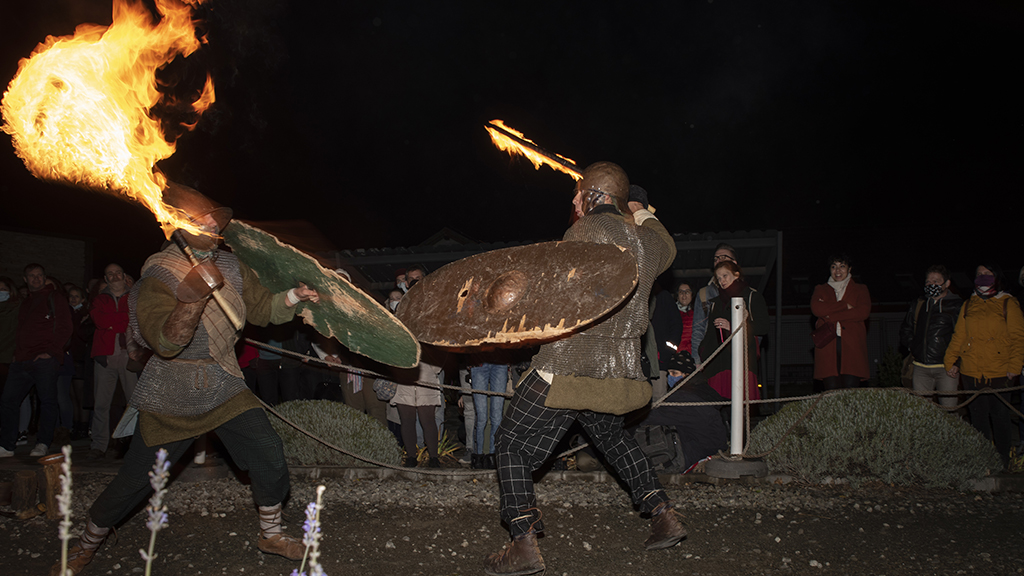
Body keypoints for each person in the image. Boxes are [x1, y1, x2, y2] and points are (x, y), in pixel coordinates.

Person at [51, 184, 321, 576]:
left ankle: (271, 533)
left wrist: (294, 296)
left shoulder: (231, 265)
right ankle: (88, 540)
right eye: (201, 219)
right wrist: (192, 297)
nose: (212, 223)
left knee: (267, 451)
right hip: (172, 391)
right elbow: (163, 340)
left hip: (225, 381)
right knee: (136, 481)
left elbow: (262, 307)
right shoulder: (158, 274)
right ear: (175, 225)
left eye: (214, 217)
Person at [484, 162, 683, 576]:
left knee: (511, 442)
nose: (574, 201)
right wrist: (640, 210)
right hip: (619, 374)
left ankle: (523, 543)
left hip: (569, 367)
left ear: (595, 197)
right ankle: (663, 514)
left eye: (579, 194)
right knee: (612, 439)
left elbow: (555, 300)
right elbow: (668, 245)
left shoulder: (583, 232)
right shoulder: (648, 242)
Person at [943, 264, 1024, 469]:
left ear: (996, 277)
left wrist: (1015, 365)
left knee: (1000, 417)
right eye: (979, 274)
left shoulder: (1008, 303)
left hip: (999, 370)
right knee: (977, 417)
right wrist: (950, 360)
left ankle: (1002, 460)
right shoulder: (969, 304)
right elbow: (959, 335)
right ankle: (982, 460)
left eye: (987, 274)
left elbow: (1018, 337)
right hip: (971, 371)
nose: (983, 277)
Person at [0, 264, 72, 458]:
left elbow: (65, 326)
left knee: (47, 401)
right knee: (8, 400)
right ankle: (7, 445)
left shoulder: (54, 297)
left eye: (39, 275)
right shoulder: (26, 302)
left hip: (44, 360)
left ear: (45, 277)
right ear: (25, 279)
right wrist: (17, 353)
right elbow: (20, 329)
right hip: (22, 360)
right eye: (31, 276)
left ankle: (42, 443)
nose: (36, 279)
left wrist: (51, 352)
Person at [697, 260, 769, 401]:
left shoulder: (751, 296)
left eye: (725, 275)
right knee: (718, 411)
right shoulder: (715, 302)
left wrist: (733, 326)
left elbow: (763, 326)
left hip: (740, 361)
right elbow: (709, 334)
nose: (722, 280)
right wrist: (702, 353)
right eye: (718, 278)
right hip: (716, 365)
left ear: (736, 275)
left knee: (739, 409)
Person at [88, 263, 139, 459]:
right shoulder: (99, 299)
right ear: (106, 278)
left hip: (129, 356)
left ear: (124, 275)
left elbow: (133, 320)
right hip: (105, 357)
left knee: (133, 403)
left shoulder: (134, 297)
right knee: (101, 404)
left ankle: (135, 446)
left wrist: (112, 322)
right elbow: (100, 321)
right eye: (110, 273)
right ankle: (98, 445)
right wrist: (120, 319)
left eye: (118, 272)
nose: (115, 276)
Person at [899, 265, 963, 408]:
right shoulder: (919, 304)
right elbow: (906, 329)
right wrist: (913, 346)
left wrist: (957, 362)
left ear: (947, 283)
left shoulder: (957, 305)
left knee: (949, 411)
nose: (931, 284)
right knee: (923, 413)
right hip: (920, 367)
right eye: (928, 282)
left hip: (946, 368)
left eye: (936, 281)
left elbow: (964, 336)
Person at [811, 254, 872, 390]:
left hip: (852, 346)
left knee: (850, 390)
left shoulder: (860, 289)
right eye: (834, 267)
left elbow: (862, 312)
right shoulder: (820, 289)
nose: (837, 271)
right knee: (831, 391)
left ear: (849, 269)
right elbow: (817, 309)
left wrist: (830, 316)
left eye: (842, 266)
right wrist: (845, 305)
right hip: (827, 345)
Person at [691, 243, 739, 364]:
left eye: (723, 257)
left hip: (739, 356)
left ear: (735, 263)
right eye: (716, 259)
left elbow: (757, 330)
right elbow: (698, 329)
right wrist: (697, 361)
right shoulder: (704, 294)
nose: (719, 261)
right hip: (711, 359)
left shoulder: (748, 293)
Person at [468, 354, 508, 469]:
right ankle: (478, 456)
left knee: (497, 417)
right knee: (481, 417)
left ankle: (492, 456)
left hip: (500, 362)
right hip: (479, 362)